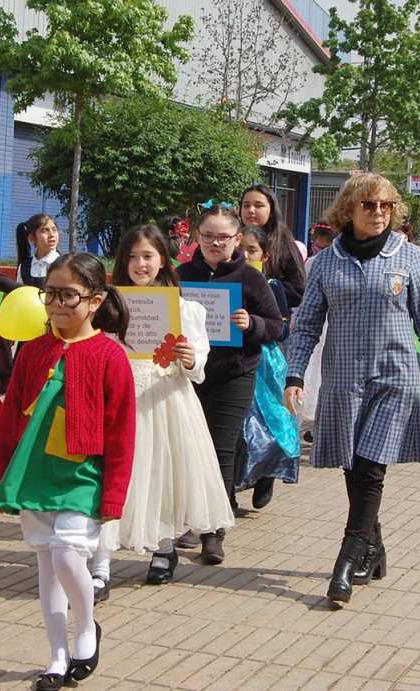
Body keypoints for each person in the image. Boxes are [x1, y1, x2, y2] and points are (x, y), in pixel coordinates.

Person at [283, 173, 420, 605]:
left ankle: (345, 560)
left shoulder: (408, 257)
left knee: (372, 469)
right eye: (369, 205)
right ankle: (372, 549)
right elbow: (305, 326)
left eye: (385, 206)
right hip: (343, 379)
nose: (378, 212)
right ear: (349, 210)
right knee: (353, 467)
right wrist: (295, 375)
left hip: (394, 377)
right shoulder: (325, 262)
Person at [0, 254, 136, 690]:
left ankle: (86, 627)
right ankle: (55, 656)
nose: (56, 304)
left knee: (68, 555)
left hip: (82, 475)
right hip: (35, 473)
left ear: (95, 300)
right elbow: (11, 417)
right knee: (46, 567)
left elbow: (122, 432)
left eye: (68, 294)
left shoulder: (110, 355)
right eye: (49, 293)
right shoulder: (33, 351)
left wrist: (114, 495)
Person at [91, 225, 234, 598]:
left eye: (148, 256)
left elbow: (197, 365)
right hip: (119, 402)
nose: (140, 264)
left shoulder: (185, 310)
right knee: (112, 477)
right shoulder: (107, 306)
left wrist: (189, 359)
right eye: (133, 256)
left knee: (161, 473)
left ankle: (164, 548)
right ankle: (100, 563)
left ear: (162, 261)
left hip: (165, 399)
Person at [176, 205, 284, 562]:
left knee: (220, 449)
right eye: (207, 236)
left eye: (223, 237)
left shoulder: (250, 279)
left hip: (233, 373)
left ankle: (214, 531)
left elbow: (275, 325)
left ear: (237, 239)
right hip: (189, 374)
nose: (215, 243)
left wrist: (250, 323)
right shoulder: (180, 276)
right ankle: (190, 519)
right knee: (189, 447)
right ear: (197, 237)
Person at [233, 226, 300, 509]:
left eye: (252, 250)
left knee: (272, 422)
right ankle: (232, 489)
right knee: (239, 428)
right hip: (232, 359)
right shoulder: (226, 281)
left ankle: (268, 473)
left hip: (266, 362)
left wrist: (257, 325)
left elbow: (283, 328)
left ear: (265, 255)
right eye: (241, 250)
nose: (245, 256)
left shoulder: (272, 286)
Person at [239, 184, 306, 308]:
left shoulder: (284, 245)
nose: (251, 210)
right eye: (246, 205)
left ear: (271, 211)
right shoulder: (230, 240)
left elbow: (298, 292)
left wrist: (265, 286)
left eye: (258, 205)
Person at [15, 214, 60, 288]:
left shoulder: (64, 264)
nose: (52, 234)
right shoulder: (24, 267)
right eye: (44, 231)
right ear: (31, 238)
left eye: (54, 230)